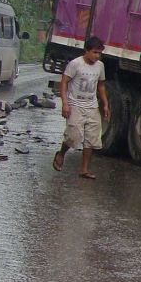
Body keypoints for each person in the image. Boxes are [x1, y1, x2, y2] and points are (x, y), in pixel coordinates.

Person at [53, 36, 111, 179]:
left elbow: (101, 85)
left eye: (99, 53)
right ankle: (61, 153)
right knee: (73, 136)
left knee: (91, 138)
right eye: (94, 52)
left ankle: (84, 169)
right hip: (76, 105)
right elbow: (64, 82)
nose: (97, 56)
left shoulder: (100, 66)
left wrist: (105, 104)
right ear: (86, 51)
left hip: (91, 106)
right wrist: (65, 103)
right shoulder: (75, 64)